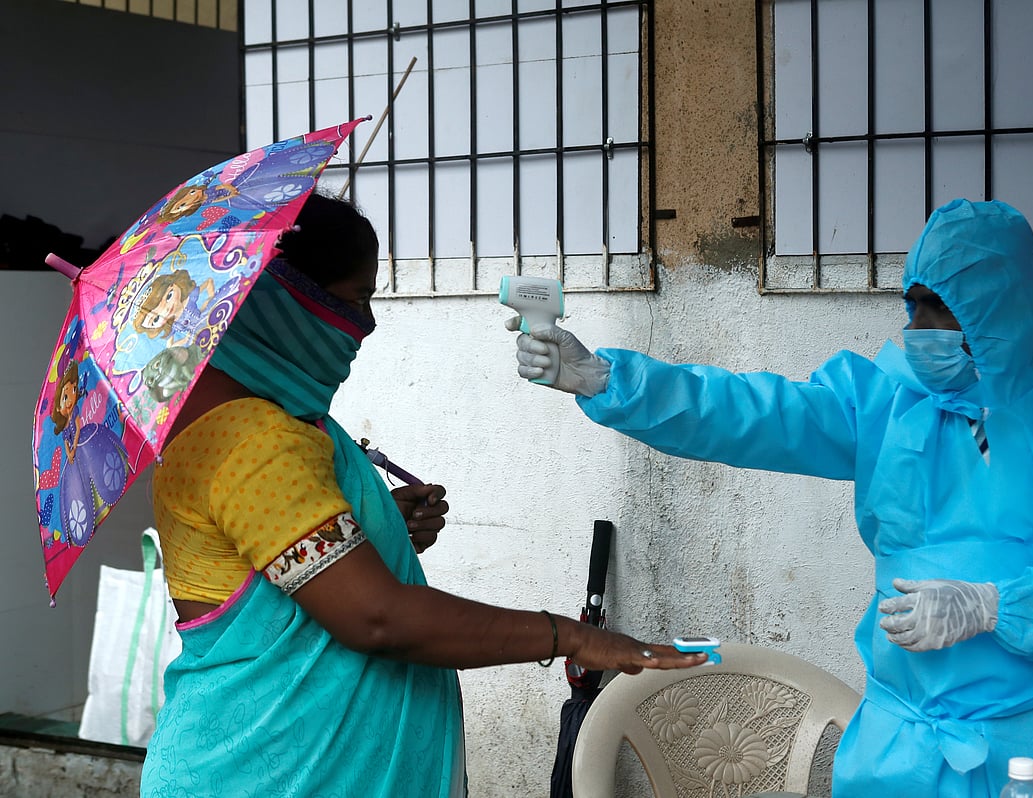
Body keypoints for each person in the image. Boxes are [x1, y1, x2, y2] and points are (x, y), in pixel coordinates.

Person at [506, 198, 1033, 797]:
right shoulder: (886, 406)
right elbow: (752, 412)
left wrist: (997, 606)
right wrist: (606, 380)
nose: (919, 327)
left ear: (998, 311)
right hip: (894, 747)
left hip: (1028, 756)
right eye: (912, 304)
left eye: (940, 307)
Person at [140, 191, 706, 798]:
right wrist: (576, 636)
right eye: (357, 299)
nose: (368, 324)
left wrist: (377, 526)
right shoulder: (255, 441)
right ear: (294, 305)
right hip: (273, 772)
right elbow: (377, 617)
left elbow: (278, 571)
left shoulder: (263, 422)